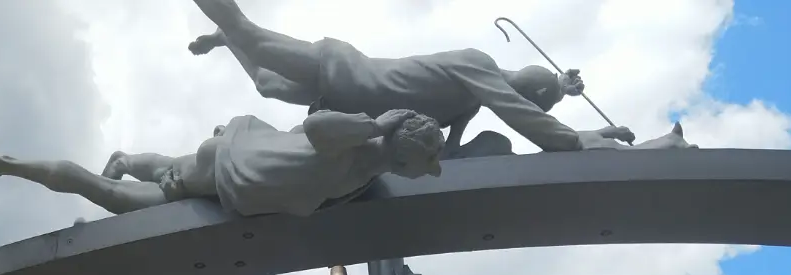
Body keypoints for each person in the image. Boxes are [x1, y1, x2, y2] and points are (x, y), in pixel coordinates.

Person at [185, 0, 636, 157]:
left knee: (265, 82)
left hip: (348, 102)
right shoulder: (477, 66)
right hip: (350, 72)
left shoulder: (469, 105)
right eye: (535, 101)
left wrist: (596, 132)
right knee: (252, 34)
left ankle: (228, 38)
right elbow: (526, 120)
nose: (522, 106)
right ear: (526, 90)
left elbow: (452, 153)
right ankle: (234, 33)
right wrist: (573, 141)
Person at [0, 108, 444, 217]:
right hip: (229, 174)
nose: (430, 172)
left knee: (168, 169)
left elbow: (303, 136)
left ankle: (124, 158)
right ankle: (9, 164)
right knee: (113, 197)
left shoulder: (367, 168)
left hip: (231, 159)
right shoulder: (362, 145)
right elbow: (317, 125)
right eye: (429, 161)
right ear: (408, 152)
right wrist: (375, 124)